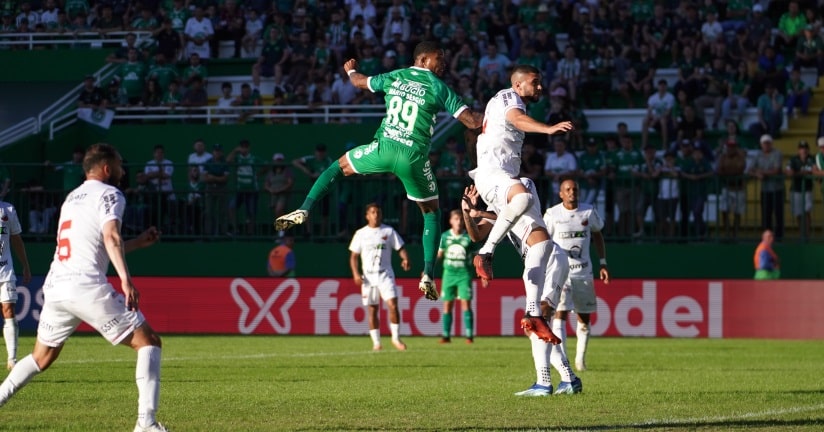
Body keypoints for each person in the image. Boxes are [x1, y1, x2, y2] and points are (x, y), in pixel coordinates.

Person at [275, 41, 483, 302]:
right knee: (431, 214)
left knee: (337, 167)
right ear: (422, 60)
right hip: (412, 157)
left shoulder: (395, 76)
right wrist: (501, 116)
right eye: (438, 58)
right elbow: (471, 121)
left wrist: (351, 70)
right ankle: (428, 274)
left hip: (383, 149)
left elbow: (359, 82)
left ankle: (305, 208)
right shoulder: (438, 86)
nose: (443, 63)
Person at [0, 144, 168, 432]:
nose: (123, 171)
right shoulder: (110, 194)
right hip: (86, 286)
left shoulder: (72, 198)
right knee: (148, 342)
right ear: (107, 168)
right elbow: (111, 237)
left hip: (56, 285)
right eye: (119, 165)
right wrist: (126, 279)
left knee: (41, 357)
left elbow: (97, 246)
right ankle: (146, 424)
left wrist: (138, 243)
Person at [461, 183, 579, 396]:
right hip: (537, 262)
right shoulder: (496, 202)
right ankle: (569, 379)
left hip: (550, 257)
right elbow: (476, 236)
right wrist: (467, 213)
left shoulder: (521, 185)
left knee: (538, 318)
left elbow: (515, 212)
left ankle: (544, 383)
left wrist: (480, 212)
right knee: (532, 327)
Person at [471, 64, 573, 283]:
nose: (540, 87)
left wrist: (475, 214)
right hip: (492, 175)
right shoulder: (510, 97)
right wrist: (548, 129)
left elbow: (475, 234)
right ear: (518, 85)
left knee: (542, 245)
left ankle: (535, 304)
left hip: (504, 179)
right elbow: (517, 119)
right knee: (523, 197)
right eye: (535, 82)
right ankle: (485, 253)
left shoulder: (507, 101)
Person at [544, 179, 608, 372]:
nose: (572, 192)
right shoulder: (553, 214)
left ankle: (580, 360)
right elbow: (544, 241)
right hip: (561, 273)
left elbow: (597, 234)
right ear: (561, 194)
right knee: (560, 313)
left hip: (583, 272)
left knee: (584, 317)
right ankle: (564, 360)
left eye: (575, 189)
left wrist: (603, 263)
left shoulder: (588, 211)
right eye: (568, 189)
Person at [348, 203, 410, 351]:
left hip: (385, 274)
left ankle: (396, 338)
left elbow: (400, 248)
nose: (376, 215)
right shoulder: (361, 233)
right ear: (367, 216)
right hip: (368, 277)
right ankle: (376, 343)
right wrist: (355, 273)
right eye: (373, 212)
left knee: (393, 305)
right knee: (372, 309)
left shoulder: (388, 231)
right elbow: (353, 257)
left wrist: (405, 258)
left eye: (378, 212)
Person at [436, 210, 475, 344]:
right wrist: (428, 269)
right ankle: (446, 336)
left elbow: (476, 257)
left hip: (464, 274)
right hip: (449, 274)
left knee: (465, 303)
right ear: (451, 221)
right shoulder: (445, 236)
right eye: (456, 219)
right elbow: (439, 255)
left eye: (461, 219)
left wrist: (482, 274)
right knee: (447, 304)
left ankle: (469, 335)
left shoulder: (469, 237)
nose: (459, 222)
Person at [0, 200, 30, 370]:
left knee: (9, 310)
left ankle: (12, 359)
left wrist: (25, 265)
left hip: (5, 270)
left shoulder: (8, 209)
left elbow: (16, 239)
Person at [785, 141, 815, 238]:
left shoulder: (812, 159)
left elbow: (814, 170)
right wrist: (803, 173)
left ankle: (807, 235)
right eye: (802, 148)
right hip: (796, 189)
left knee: (807, 211)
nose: (804, 150)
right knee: (798, 213)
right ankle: (801, 234)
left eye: (805, 148)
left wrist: (797, 173)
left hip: (807, 189)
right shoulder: (793, 159)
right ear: (798, 150)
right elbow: (788, 172)